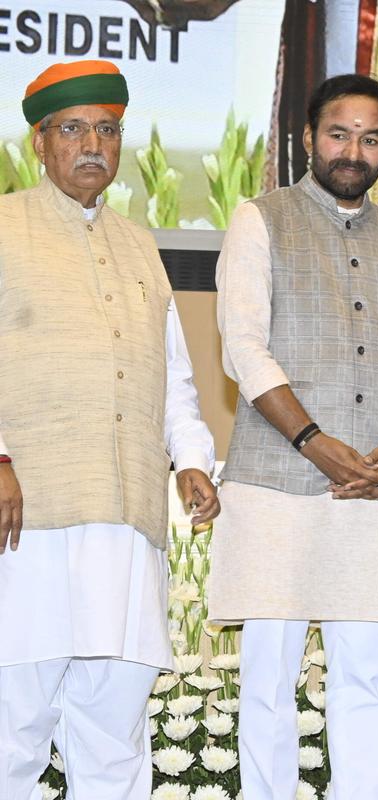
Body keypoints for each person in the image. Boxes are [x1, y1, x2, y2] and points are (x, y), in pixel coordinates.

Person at [206, 73, 378, 800]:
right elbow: (242, 349)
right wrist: (313, 440)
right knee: (269, 675)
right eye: (338, 134)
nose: (353, 150)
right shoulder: (261, 219)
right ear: (308, 138)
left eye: (370, 138)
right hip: (278, 479)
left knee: (362, 675)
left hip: (377, 481)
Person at [0, 60, 219, 800]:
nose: (93, 143)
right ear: (39, 141)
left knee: (114, 729)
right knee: (13, 725)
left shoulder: (140, 245)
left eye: (108, 129)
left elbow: (175, 376)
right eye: (73, 128)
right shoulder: (3, 225)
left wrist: (190, 458)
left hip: (126, 523)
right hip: (27, 518)